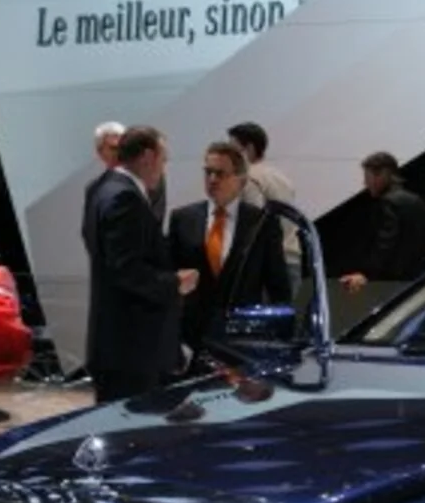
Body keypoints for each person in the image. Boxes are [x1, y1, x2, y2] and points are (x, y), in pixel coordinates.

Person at [81, 126, 198, 403]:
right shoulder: (125, 197)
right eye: (163, 159)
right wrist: (175, 283)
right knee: (137, 423)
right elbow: (126, 269)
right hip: (132, 346)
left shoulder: (101, 189)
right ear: (148, 156)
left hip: (115, 342)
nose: (163, 168)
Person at [167, 141, 291, 362]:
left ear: (241, 180)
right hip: (191, 339)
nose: (212, 179)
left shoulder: (261, 223)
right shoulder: (182, 218)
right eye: (208, 172)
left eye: (221, 174)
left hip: (242, 338)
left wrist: (279, 339)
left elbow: (278, 284)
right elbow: (168, 275)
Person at [339, 151, 425, 295]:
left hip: (392, 287)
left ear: (382, 175)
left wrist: (366, 275)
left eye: (367, 177)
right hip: (421, 282)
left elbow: (385, 245)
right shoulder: (417, 201)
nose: (365, 183)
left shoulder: (388, 203)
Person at [227, 121, 300, 285]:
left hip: (265, 265)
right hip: (292, 260)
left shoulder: (249, 178)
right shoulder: (283, 179)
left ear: (249, 149)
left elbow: (252, 223)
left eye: (232, 149)